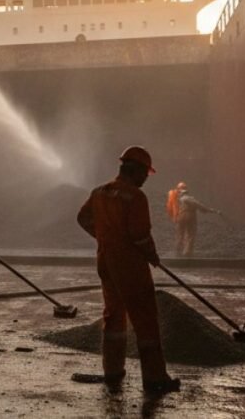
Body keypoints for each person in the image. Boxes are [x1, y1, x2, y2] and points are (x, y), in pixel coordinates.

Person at [77, 145, 180, 395]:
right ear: (136, 170)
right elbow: (140, 235)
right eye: (145, 173)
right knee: (145, 320)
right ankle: (155, 378)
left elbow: (82, 218)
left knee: (113, 316)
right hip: (130, 265)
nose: (146, 178)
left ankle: (112, 371)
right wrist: (152, 255)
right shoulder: (135, 197)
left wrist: (104, 237)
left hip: (105, 261)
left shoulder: (99, 192)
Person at [166, 181, 221, 257]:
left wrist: (176, 217)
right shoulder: (188, 198)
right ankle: (187, 253)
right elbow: (200, 206)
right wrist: (212, 210)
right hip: (189, 216)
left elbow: (173, 209)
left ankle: (178, 251)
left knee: (180, 234)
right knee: (190, 234)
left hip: (180, 217)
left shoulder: (177, 199)